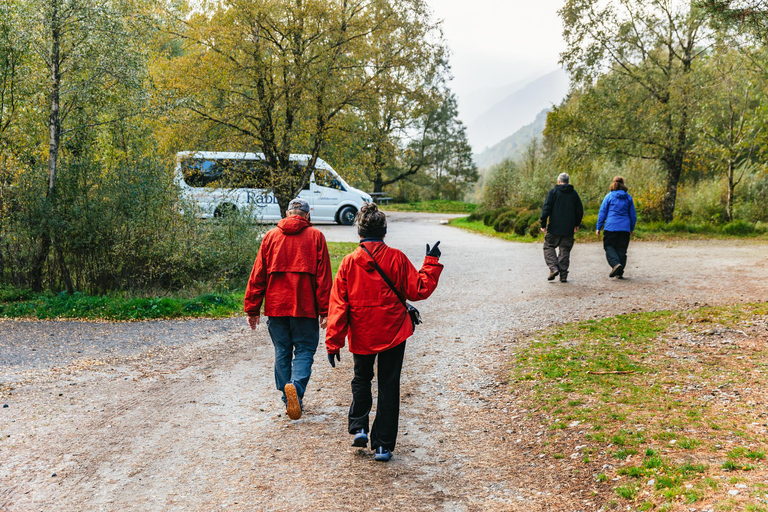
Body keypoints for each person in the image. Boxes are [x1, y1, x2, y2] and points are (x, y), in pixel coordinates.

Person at [325, 203, 443, 462]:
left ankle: (359, 427)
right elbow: (419, 289)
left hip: (362, 332)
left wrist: (333, 343)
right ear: (384, 231)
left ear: (359, 232)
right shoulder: (397, 258)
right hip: (393, 332)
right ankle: (383, 446)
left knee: (361, 379)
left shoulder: (347, 263)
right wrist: (431, 262)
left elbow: (338, 306)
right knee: (388, 386)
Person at [244, 198, 332, 420]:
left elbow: (258, 275)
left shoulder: (271, 236)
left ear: (286, 214)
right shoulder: (316, 237)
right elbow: (323, 278)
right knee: (304, 350)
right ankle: (296, 389)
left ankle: (288, 398)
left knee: (282, 351)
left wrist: (252, 309)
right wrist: (325, 310)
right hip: (305, 307)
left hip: (276, 307)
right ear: (307, 216)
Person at [539, 172, 584, 283]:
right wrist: (576, 224)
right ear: (568, 182)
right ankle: (563, 275)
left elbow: (546, 208)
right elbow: (580, 210)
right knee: (565, 250)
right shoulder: (573, 194)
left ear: (558, 181)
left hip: (554, 227)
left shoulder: (553, 192)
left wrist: (543, 224)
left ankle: (553, 268)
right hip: (568, 228)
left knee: (548, 246)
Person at [596, 176, 637, 279]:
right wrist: (631, 227)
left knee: (609, 246)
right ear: (623, 184)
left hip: (611, 227)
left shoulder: (609, 196)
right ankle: (619, 272)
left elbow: (602, 213)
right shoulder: (628, 198)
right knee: (621, 249)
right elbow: (633, 215)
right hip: (624, 228)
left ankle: (615, 264)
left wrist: (598, 227)